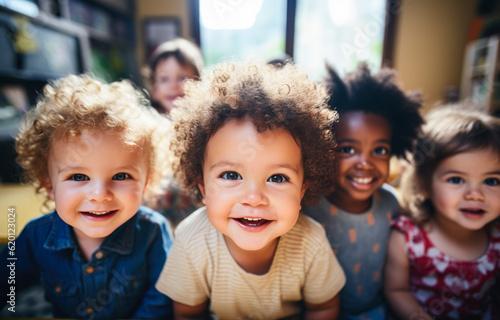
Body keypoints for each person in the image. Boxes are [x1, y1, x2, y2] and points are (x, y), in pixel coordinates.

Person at [155, 61, 346, 319]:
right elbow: (188, 314)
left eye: (277, 178)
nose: (254, 198)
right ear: (202, 188)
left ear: (302, 191)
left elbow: (323, 307)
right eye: (231, 175)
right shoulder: (191, 240)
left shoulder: (310, 241)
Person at [0, 74, 174, 319]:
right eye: (79, 177)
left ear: (147, 181)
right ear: (49, 185)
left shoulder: (153, 233)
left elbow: (162, 296)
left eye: (122, 176)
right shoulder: (35, 237)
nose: (100, 195)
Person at [302, 62, 424, 320]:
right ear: (324, 148)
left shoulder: (391, 203)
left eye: (379, 151)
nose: (365, 163)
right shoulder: (308, 205)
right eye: (347, 149)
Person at [384, 105, 500, 320]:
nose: (476, 194)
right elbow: (396, 290)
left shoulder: (496, 238)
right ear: (424, 186)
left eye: (491, 181)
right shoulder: (407, 238)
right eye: (456, 179)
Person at [143, 37, 204, 114]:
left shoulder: (207, 123)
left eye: (182, 78)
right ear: (154, 89)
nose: (173, 85)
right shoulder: (147, 123)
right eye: (164, 79)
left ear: (198, 83)